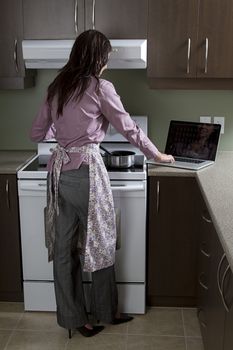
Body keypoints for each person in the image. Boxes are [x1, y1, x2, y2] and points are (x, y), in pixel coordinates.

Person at [30, 29, 174, 339]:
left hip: (57, 173)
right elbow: (129, 128)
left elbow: (36, 134)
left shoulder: (56, 87)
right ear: (98, 58)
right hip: (87, 174)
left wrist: (65, 136)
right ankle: (107, 311)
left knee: (64, 248)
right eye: (105, 56)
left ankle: (74, 319)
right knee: (101, 242)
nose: (107, 62)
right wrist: (156, 154)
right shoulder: (99, 87)